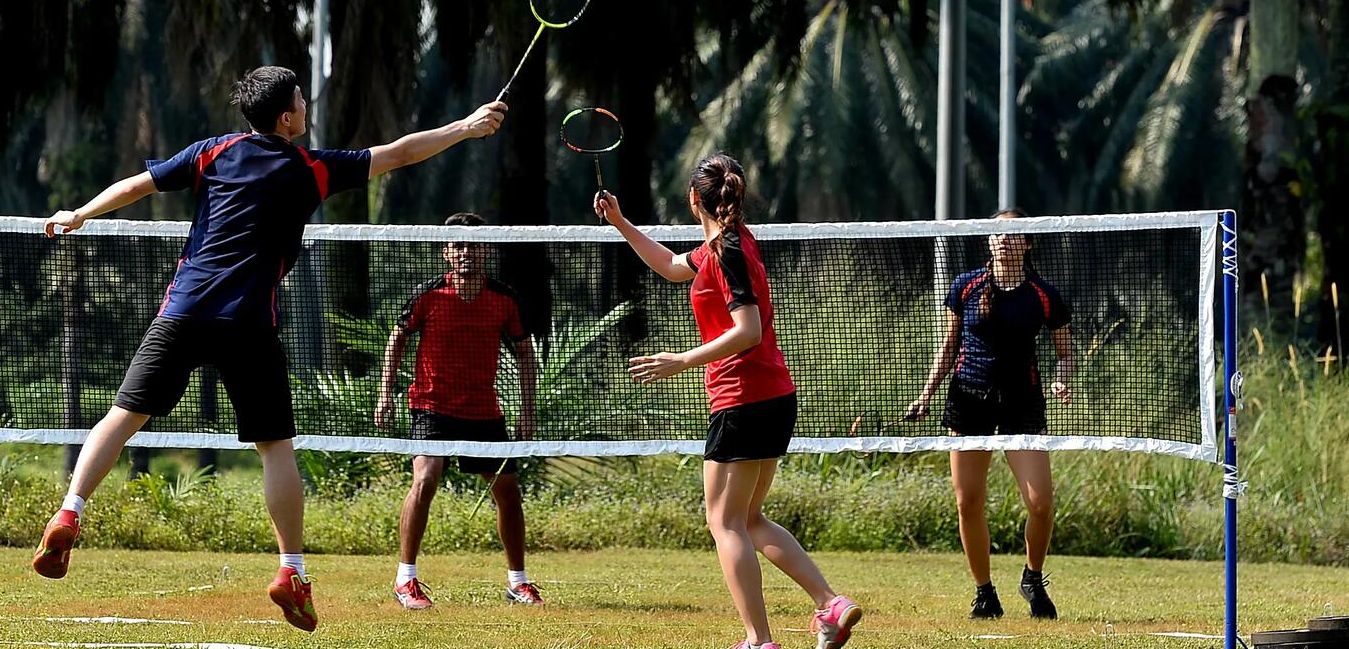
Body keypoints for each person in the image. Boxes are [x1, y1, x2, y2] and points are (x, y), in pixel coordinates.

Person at [31, 65, 507, 633]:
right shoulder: (311, 169)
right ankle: (291, 572)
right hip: (248, 323)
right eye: (301, 100)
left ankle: (70, 511)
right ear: (287, 117)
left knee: (122, 416)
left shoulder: (214, 151)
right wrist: (466, 127)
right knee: (275, 448)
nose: (306, 105)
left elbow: (139, 184)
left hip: (182, 310)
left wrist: (79, 213)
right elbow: (400, 153)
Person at [595, 154, 862, 649]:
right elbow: (675, 268)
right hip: (772, 398)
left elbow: (748, 330)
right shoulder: (731, 243)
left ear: (694, 199)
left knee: (724, 522)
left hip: (742, 399)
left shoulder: (728, 253)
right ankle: (832, 605)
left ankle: (758, 640)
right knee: (750, 518)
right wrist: (621, 223)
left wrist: (681, 361)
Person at [905, 208, 1075, 620]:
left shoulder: (1043, 294)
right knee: (968, 502)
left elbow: (1065, 352)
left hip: (1024, 403)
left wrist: (1062, 378)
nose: (1005, 240)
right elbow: (948, 347)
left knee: (1041, 504)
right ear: (989, 241)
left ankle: (1032, 577)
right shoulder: (965, 286)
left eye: (1015, 235)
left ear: (1028, 243)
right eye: (998, 234)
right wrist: (925, 395)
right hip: (969, 399)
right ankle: (984, 593)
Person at [373, 211, 542, 609]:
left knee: (508, 492)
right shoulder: (428, 295)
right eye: (458, 245)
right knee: (426, 479)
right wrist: (386, 393)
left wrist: (527, 411)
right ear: (447, 252)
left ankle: (518, 583)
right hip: (431, 406)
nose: (466, 252)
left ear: (485, 249)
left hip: (484, 410)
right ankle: (405, 579)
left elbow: (524, 354)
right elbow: (396, 340)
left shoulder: (504, 298)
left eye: (473, 244)